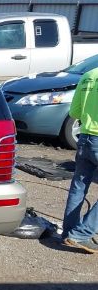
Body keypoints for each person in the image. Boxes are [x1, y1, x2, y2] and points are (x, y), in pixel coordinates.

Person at [62, 66, 98, 253]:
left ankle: (69, 232)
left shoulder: (88, 76)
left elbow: (75, 112)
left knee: (79, 186)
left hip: (85, 138)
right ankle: (81, 234)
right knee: (79, 186)